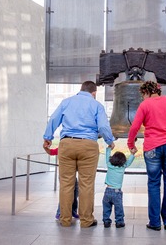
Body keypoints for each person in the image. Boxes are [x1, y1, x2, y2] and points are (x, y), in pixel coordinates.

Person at [43, 81, 115, 228]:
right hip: (88, 146)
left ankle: (65, 219)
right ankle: (86, 220)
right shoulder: (96, 105)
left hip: (67, 145)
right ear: (94, 93)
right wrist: (110, 141)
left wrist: (47, 138)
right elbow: (102, 126)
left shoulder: (66, 102)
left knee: (66, 184)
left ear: (80, 89)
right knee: (86, 185)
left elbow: (54, 119)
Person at [127, 81, 166, 231]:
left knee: (153, 183)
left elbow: (134, 126)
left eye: (143, 95)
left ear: (146, 92)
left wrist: (130, 144)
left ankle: (154, 222)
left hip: (152, 146)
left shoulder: (145, 105)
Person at [43, 145, 79, 220]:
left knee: (75, 193)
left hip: (72, 175)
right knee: (66, 194)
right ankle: (59, 213)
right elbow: (51, 152)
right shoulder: (63, 148)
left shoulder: (73, 147)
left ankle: (73, 211)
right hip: (64, 176)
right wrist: (45, 147)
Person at [102, 146, 135, 228]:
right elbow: (129, 162)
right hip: (117, 192)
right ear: (123, 161)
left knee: (106, 207)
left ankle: (106, 221)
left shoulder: (109, 164)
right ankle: (119, 222)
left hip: (107, 191)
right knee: (119, 208)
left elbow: (107, 156)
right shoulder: (122, 167)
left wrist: (109, 148)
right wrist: (132, 154)